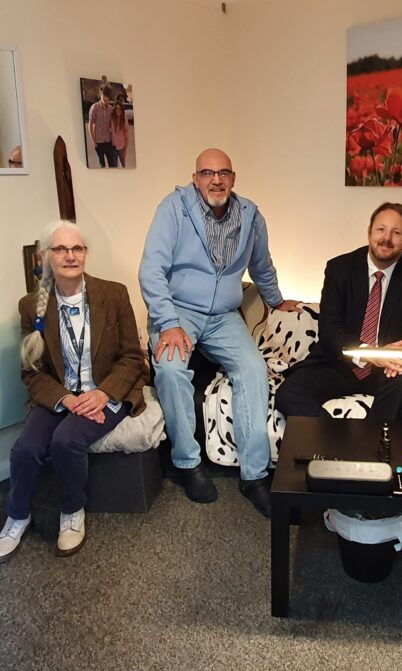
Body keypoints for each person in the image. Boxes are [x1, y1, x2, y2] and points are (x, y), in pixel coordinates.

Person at [139, 148, 300, 518]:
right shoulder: (173, 209)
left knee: (254, 370)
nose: (216, 180)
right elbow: (151, 271)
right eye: (207, 173)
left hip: (225, 315)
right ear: (195, 178)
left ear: (233, 178)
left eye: (223, 173)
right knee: (171, 369)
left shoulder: (251, 215)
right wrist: (168, 322)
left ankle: (255, 474)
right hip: (178, 311)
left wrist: (276, 301)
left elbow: (262, 265)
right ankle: (187, 463)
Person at [0, 221, 146, 562]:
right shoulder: (31, 306)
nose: (70, 255)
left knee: (66, 440)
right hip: (61, 394)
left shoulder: (114, 293)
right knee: (25, 449)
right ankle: (18, 515)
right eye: (60, 249)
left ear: (86, 254)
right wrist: (64, 398)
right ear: (46, 256)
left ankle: (72, 510)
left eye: (77, 248)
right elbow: (31, 372)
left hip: (106, 390)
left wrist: (103, 394)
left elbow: (132, 357)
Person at [275, 202, 402, 442]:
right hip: (340, 363)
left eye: (396, 232)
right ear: (369, 231)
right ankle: (342, 446)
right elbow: (329, 331)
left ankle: (371, 451)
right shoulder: (340, 268)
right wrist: (372, 353)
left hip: (391, 370)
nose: (387, 238)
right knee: (290, 394)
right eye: (381, 229)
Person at [88, 84, 117, 168]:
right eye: (104, 96)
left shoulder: (111, 109)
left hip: (108, 141)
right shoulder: (94, 108)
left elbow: (113, 124)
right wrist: (94, 143)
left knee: (112, 164)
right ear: (100, 95)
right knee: (102, 164)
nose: (106, 98)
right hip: (98, 142)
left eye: (107, 96)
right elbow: (89, 125)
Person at [110, 101, 129, 168]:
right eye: (116, 108)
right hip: (113, 147)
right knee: (114, 167)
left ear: (122, 110)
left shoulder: (124, 119)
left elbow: (127, 137)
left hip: (121, 147)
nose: (118, 110)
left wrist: (125, 151)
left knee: (123, 166)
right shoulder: (112, 118)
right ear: (114, 109)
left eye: (120, 108)